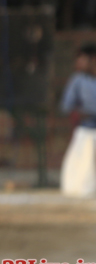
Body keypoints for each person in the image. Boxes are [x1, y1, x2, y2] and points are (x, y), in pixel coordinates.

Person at [59, 44, 96, 197]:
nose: (79, 63)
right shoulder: (78, 81)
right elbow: (66, 106)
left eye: (83, 59)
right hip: (86, 131)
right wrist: (84, 114)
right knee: (81, 183)